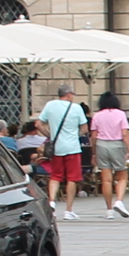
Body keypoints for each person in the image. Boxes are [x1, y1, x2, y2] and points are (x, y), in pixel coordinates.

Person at [37, 84, 90, 219]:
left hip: (57, 147)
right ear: (69, 94)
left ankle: (52, 201)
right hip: (72, 147)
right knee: (72, 178)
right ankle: (68, 210)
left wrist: (49, 135)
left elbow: (38, 124)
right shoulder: (76, 108)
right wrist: (75, 135)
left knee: (55, 176)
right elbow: (84, 129)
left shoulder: (50, 105)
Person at [91, 90, 129, 217]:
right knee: (122, 176)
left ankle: (109, 210)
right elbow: (125, 134)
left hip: (101, 145)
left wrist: (94, 152)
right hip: (117, 144)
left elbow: (93, 136)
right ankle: (119, 201)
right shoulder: (121, 114)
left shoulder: (97, 115)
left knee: (106, 180)